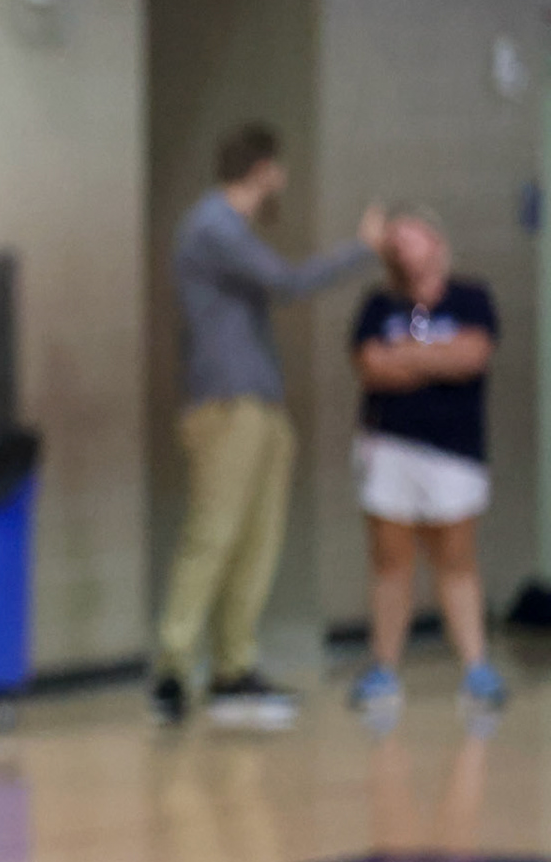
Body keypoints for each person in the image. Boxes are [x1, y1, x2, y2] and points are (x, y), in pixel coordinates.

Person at [151, 123, 385, 727]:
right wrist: (361, 247)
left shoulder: (229, 230)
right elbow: (288, 282)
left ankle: (235, 665)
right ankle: (175, 664)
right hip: (226, 405)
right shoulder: (212, 227)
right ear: (262, 169)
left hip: (260, 403)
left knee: (258, 539)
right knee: (215, 532)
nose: (282, 179)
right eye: (278, 168)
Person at [346, 205, 503, 723]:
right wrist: (432, 357)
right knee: (391, 561)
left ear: (436, 241)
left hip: (454, 449)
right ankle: (383, 668)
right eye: (396, 241)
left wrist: (407, 355)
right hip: (389, 446)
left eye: (413, 236)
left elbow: (471, 356)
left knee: (455, 558)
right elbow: (372, 366)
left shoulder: (470, 297)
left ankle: (477, 667)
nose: (405, 247)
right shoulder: (378, 304)